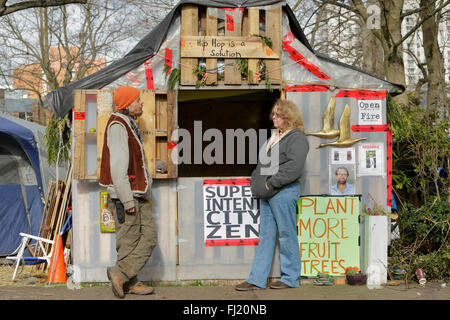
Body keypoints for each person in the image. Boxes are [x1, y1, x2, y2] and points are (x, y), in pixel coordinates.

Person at [235, 99, 309, 291]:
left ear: (288, 116)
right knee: (266, 235)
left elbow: (294, 168)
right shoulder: (277, 136)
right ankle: (257, 279)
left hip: (283, 191)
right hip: (270, 193)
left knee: (286, 234)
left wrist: (270, 184)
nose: (273, 118)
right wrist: (256, 180)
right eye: (273, 114)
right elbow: (264, 164)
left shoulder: (297, 138)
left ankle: (290, 277)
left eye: (277, 114)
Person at [99, 86, 162, 298]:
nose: (141, 103)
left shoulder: (128, 124)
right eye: (137, 100)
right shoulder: (118, 126)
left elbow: (132, 161)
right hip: (126, 197)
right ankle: (125, 276)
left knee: (148, 237)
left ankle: (126, 277)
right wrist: (127, 201)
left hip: (137, 195)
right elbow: (118, 169)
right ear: (127, 104)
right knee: (128, 241)